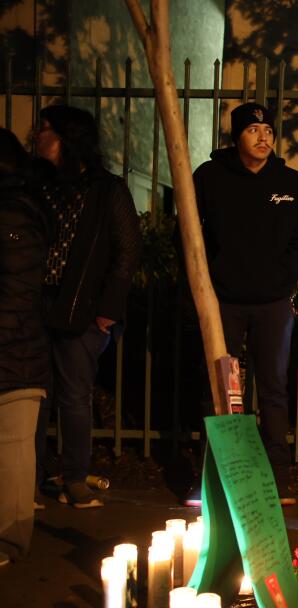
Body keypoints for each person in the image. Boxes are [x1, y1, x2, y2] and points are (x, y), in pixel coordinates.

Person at [191, 102, 298, 505]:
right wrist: (211, 275)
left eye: (268, 130)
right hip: (223, 300)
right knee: (220, 387)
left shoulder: (292, 183)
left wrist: (285, 276)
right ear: (237, 136)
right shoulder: (209, 178)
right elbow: (192, 232)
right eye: (253, 130)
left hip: (273, 302)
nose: (263, 137)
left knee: (274, 387)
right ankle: (216, 477)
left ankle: (276, 478)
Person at [33, 105, 140, 510]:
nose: (36, 137)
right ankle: (31, 478)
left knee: (75, 396)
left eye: (45, 130)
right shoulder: (37, 184)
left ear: (68, 138)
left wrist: (105, 314)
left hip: (83, 309)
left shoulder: (106, 189)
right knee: (32, 396)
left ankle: (75, 477)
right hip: (36, 303)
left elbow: (127, 251)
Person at [0, 128, 50, 565]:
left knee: (13, 447)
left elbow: (16, 290)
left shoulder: (13, 216)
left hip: (15, 353)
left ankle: (10, 540)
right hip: (16, 348)